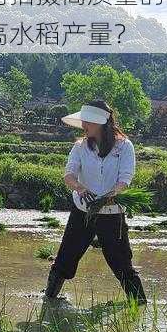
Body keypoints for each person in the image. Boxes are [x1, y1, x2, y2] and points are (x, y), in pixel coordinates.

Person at [44, 100, 146, 304]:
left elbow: (125, 178)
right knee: (65, 258)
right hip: (83, 211)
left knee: (121, 262)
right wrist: (80, 188)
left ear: (100, 122)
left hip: (111, 212)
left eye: (87, 122)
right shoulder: (80, 147)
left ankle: (140, 303)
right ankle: (48, 300)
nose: (83, 126)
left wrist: (111, 194)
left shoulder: (124, 146)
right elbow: (69, 175)